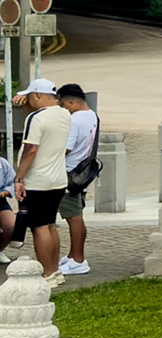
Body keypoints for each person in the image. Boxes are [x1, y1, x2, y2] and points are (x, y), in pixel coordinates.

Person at [12, 79, 72, 285]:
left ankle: (46, 274)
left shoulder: (36, 118)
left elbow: (31, 149)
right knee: (50, 224)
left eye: (29, 96)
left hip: (37, 180)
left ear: (36, 96)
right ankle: (55, 270)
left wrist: (19, 178)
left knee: (39, 227)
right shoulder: (64, 113)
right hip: (57, 179)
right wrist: (25, 105)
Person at [55, 84, 97, 276]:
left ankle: (78, 260)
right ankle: (73, 256)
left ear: (71, 102)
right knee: (77, 215)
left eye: (63, 105)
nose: (63, 109)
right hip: (83, 174)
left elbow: (66, 148)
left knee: (74, 217)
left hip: (69, 173)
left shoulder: (74, 120)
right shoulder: (92, 116)